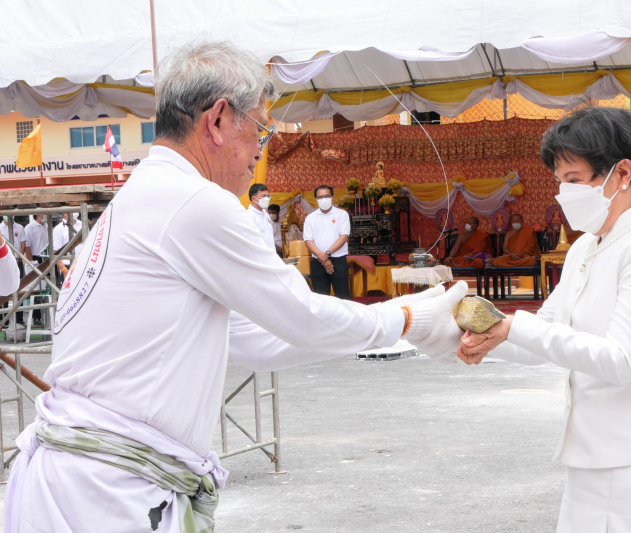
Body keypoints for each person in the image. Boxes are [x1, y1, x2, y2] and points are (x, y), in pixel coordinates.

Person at [5, 42, 467, 533]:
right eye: (261, 131)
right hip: (105, 493)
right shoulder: (192, 202)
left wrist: (399, 328)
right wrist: (407, 317)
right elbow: (301, 316)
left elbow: (263, 338)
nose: (259, 153)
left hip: (90, 484)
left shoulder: (147, 196)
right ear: (220, 120)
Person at [458, 106, 631, 533]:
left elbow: (620, 360)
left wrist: (512, 326)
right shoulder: (585, 247)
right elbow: (550, 331)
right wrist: (482, 336)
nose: (564, 192)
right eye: (560, 182)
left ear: (622, 173)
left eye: (574, 180)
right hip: (592, 456)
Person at [303, 185, 351, 299]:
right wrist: (323, 259)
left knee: (343, 297)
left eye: (326, 196)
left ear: (332, 198)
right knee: (321, 299)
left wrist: (327, 254)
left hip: (338, 261)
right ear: (316, 200)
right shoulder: (310, 218)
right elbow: (308, 240)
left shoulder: (342, 214)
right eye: (320, 197)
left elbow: (344, 237)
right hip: (318, 262)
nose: (323, 199)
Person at [246, 182, 276, 251]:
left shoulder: (265, 214)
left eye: (268, 196)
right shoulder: (249, 216)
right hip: (260, 257)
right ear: (253, 198)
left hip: (271, 255)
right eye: (263, 196)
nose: (266, 199)